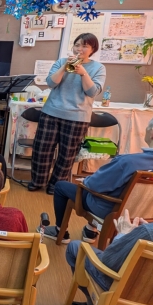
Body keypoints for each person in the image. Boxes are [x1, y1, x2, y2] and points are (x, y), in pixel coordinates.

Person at [42, 130, 153, 243]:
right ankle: (90, 231)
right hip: (146, 217)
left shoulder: (128, 161)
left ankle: (60, 231)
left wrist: (86, 180)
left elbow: (95, 185)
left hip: (110, 211)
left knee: (61, 186)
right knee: (112, 188)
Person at [29, 33, 106, 194]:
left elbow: (92, 92)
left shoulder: (98, 68)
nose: (79, 49)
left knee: (67, 154)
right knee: (42, 149)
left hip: (78, 117)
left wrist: (83, 73)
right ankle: (38, 181)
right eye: (77, 45)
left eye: (85, 46)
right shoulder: (61, 62)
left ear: (92, 49)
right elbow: (51, 83)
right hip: (51, 112)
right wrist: (64, 67)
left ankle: (56, 185)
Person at [65, 209, 153, 305]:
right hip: (149, 300)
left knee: (74, 247)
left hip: (119, 292)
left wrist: (123, 234)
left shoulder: (147, 232)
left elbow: (107, 262)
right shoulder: (148, 231)